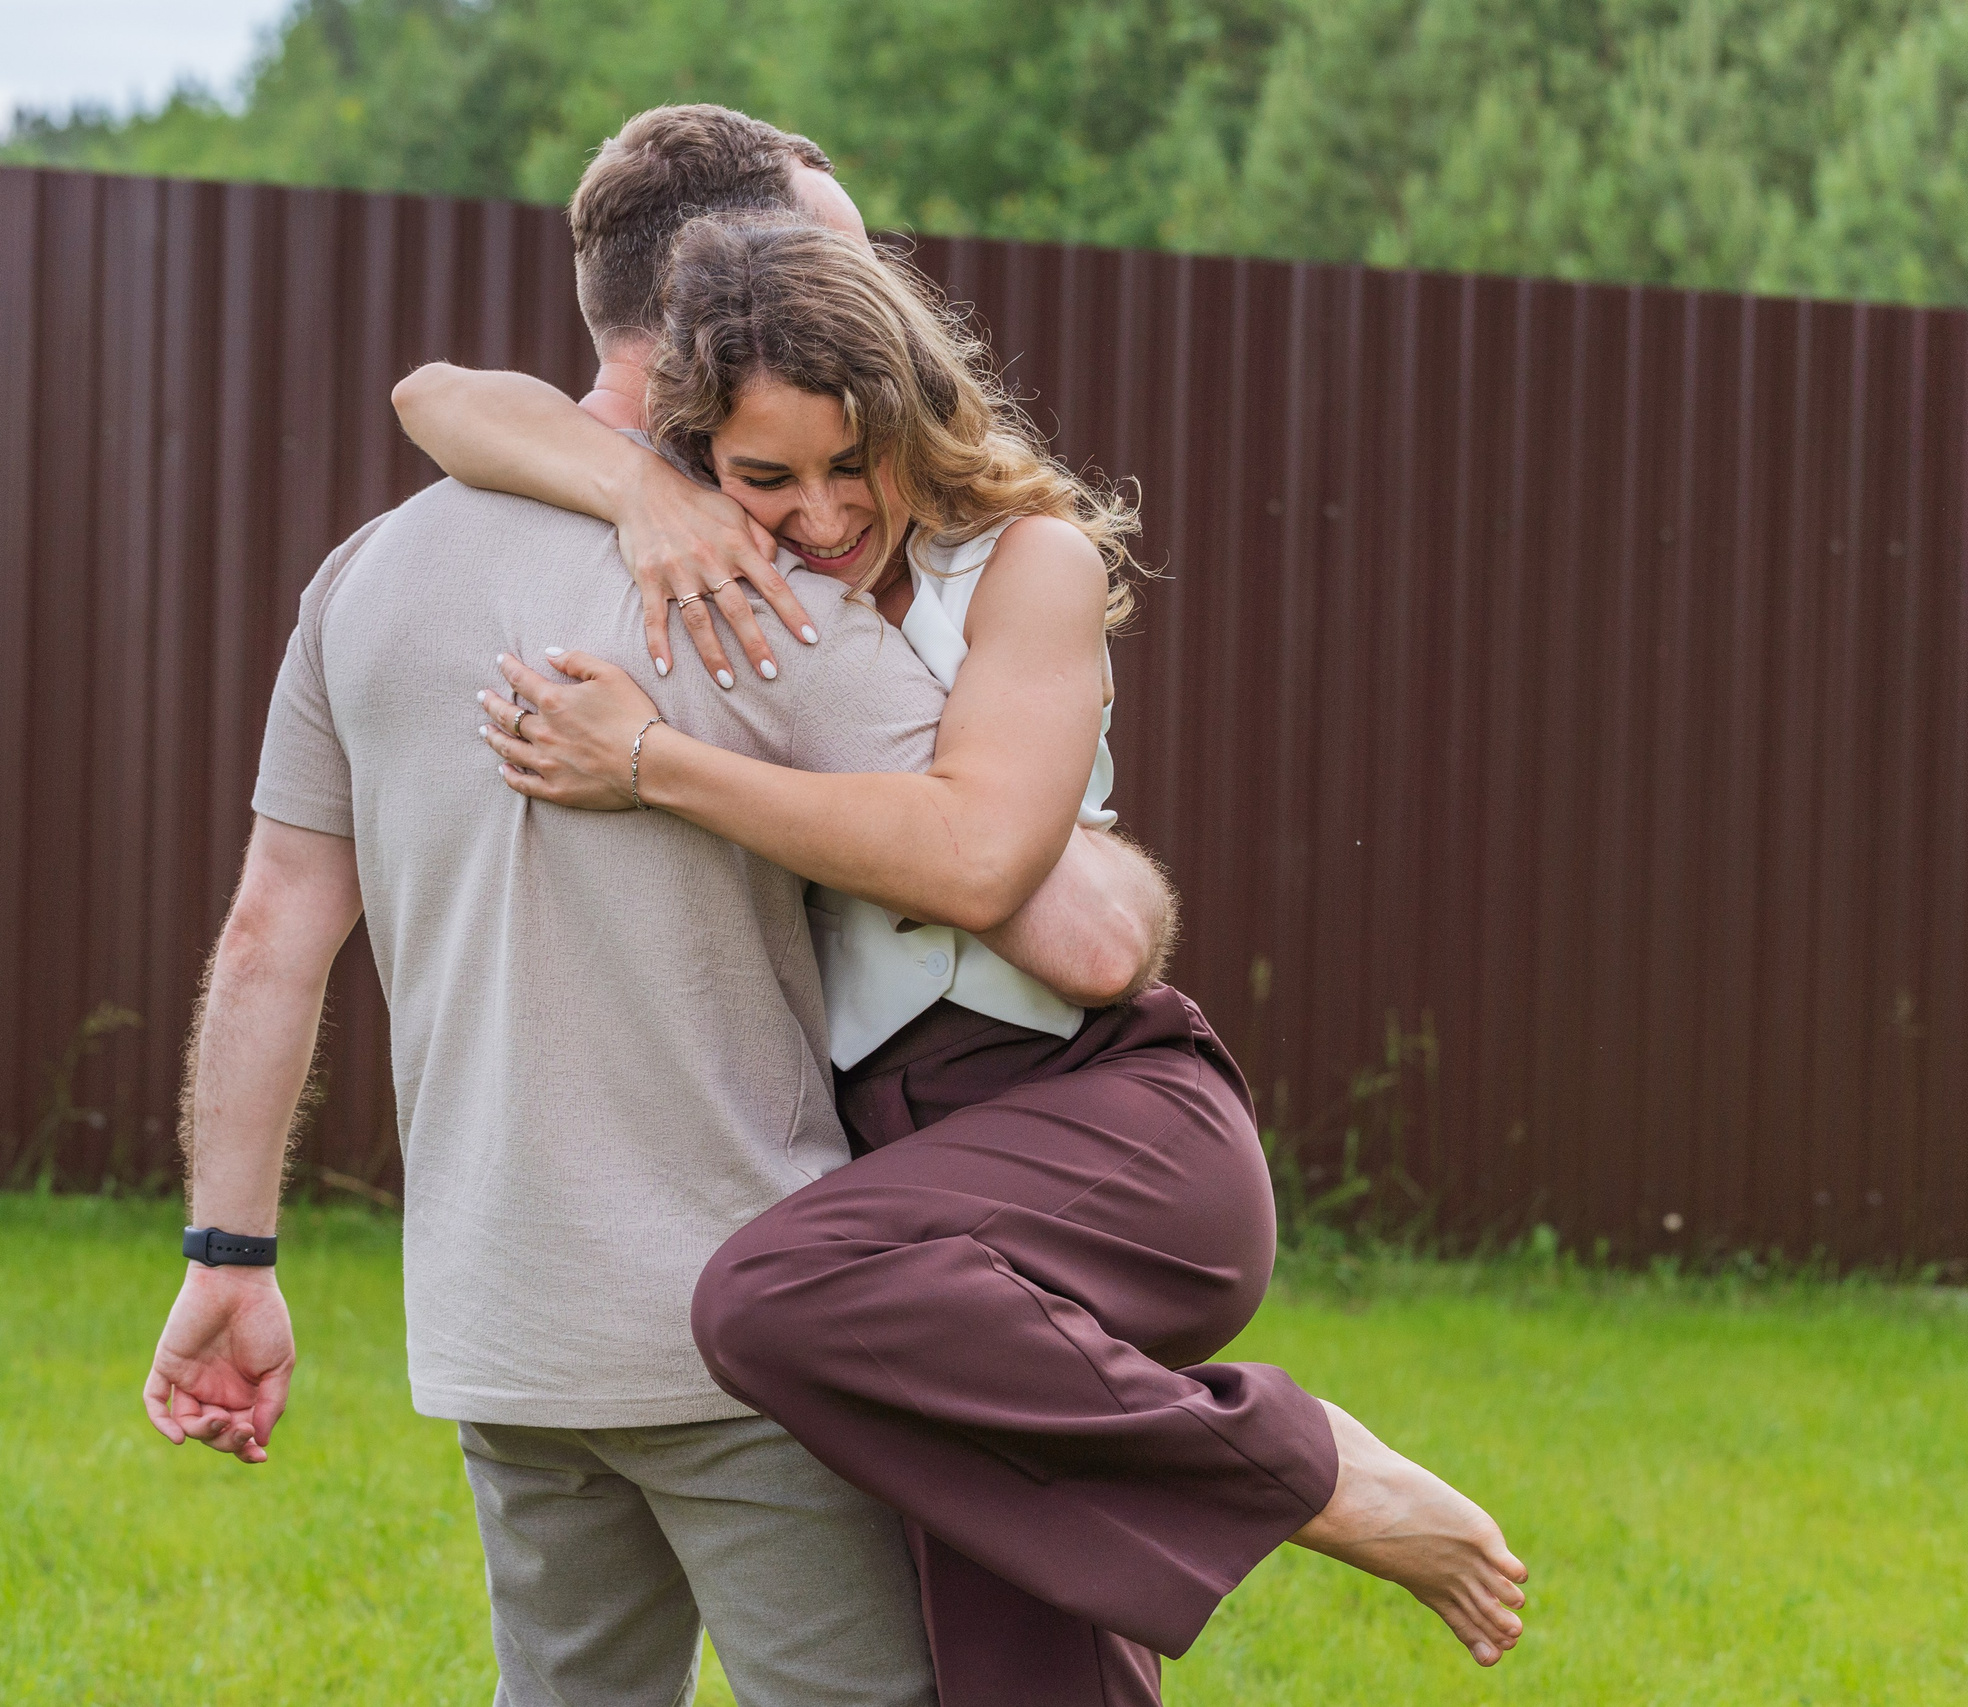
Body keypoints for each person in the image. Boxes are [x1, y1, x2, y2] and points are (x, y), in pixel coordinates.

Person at [395, 215, 1531, 1705]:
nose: (819, 513)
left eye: (849, 462)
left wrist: (655, 765)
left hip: (1093, 1117)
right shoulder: (710, 552)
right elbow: (435, 396)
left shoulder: (1020, 566)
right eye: (766, 477)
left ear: (912, 415)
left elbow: (984, 861)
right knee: (1018, 1650)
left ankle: (1304, 1469)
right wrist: (636, 488)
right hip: (896, 1181)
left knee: (758, 1300)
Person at [138, 104, 1171, 1707]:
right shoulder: (764, 604)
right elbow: (1081, 932)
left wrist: (229, 1255)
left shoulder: (365, 577)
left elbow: (275, 929)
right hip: (748, 1322)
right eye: (830, 257)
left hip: (501, 1331)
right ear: (730, 292)